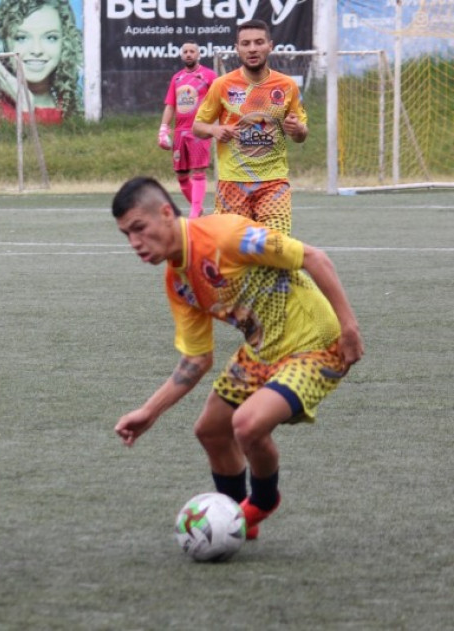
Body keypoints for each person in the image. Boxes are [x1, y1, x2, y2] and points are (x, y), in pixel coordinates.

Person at [111, 176, 363, 540]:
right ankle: (235, 519)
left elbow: (313, 257)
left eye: (139, 228)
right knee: (210, 430)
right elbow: (195, 360)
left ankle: (262, 503)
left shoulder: (227, 235)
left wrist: (349, 327)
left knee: (246, 424)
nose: (134, 243)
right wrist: (149, 411)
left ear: (166, 213)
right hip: (262, 351)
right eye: (126, 235)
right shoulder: (178, 282)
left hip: (315, 343)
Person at [192, 19, 308, 236]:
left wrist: (298, 130)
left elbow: (301, 134)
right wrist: (214, 130)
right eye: (245, 44)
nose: (252, 48)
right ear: (237, 48)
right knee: (234, 254)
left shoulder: (286, 86)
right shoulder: (222, 85)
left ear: (270, 46)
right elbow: (197, 126)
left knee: (276, 248)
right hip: (232, 183)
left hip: (273, 183)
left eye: (258, 42)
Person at [0, 0, 83, 127]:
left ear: (65, 45)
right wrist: (25, 107)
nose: (37, 50)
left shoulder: (73, 109)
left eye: (50, 37)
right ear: (0, 46)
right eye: (21, 38)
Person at [158, 42, 216, 219]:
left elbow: (219, 100)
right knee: (181, 175)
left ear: (199, 54)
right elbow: (170, 105)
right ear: (182, 55)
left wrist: (214, 125)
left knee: (198, 171)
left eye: (192, 51)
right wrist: (163, 129)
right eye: (185, 52)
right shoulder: (177, 78)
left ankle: (194, 212)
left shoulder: (209, 75)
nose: (189, 54)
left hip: (199, 130)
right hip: (179, 132)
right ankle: (197, 208)